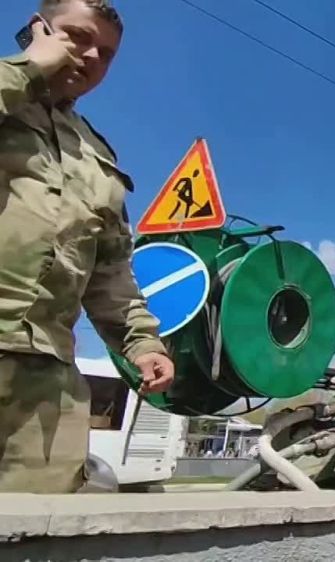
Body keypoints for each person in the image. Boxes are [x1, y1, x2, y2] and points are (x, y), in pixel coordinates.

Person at [0, 0, 175, 494]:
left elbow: (110, 272)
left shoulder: (97, 157)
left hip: (45, 382)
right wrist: (31, 68)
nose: (93, 56)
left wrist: (142, 343)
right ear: (37, 29)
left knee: (38, 532)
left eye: (108, 52)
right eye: (78, 36)